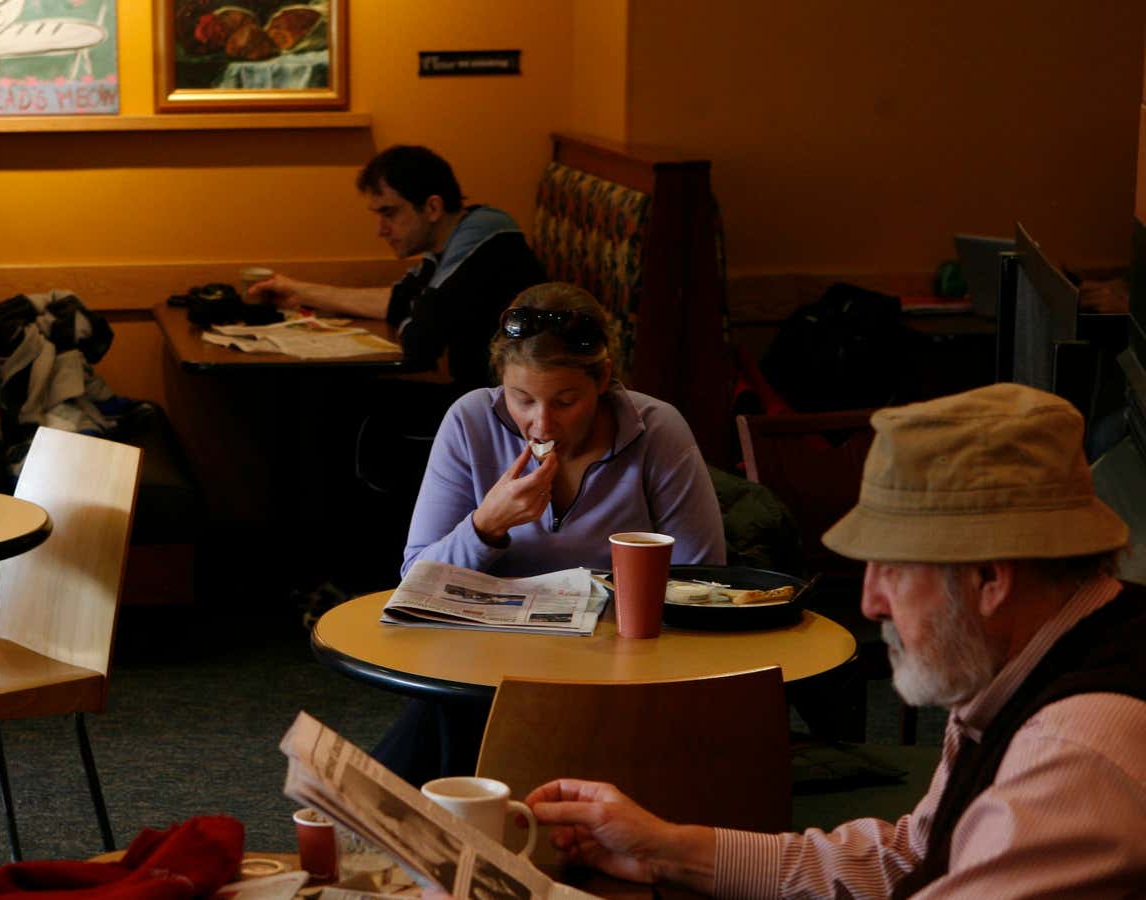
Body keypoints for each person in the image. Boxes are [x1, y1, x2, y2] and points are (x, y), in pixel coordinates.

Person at [519, 383, 1146, 898]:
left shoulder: (1075, 752)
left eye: (892, 570)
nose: (871, 602)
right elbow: (912, 857)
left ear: (989, 579)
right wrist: (666, 850)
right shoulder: (1024, 665)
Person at [374, 282, 727, 785]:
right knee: (452, 713)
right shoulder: (471, 421)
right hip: (488, 665)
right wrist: (486, 525)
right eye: (522, 400)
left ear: (603, 378)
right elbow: (415, 579)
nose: (541, 424)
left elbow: (705, 576)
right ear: (501, 382)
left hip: (615, 667)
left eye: (565, 401)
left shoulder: (656, 430)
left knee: (441, 744)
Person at [247, 144, 546, 389]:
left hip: (506, 409)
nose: (381, 229)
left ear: (432, 207)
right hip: (479, 393)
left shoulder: (483, 238)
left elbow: (419, 345)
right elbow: (398, 301)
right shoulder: (449, 239)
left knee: (333, 398)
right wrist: (298, 291)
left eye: (389, 213)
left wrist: (413, 315)